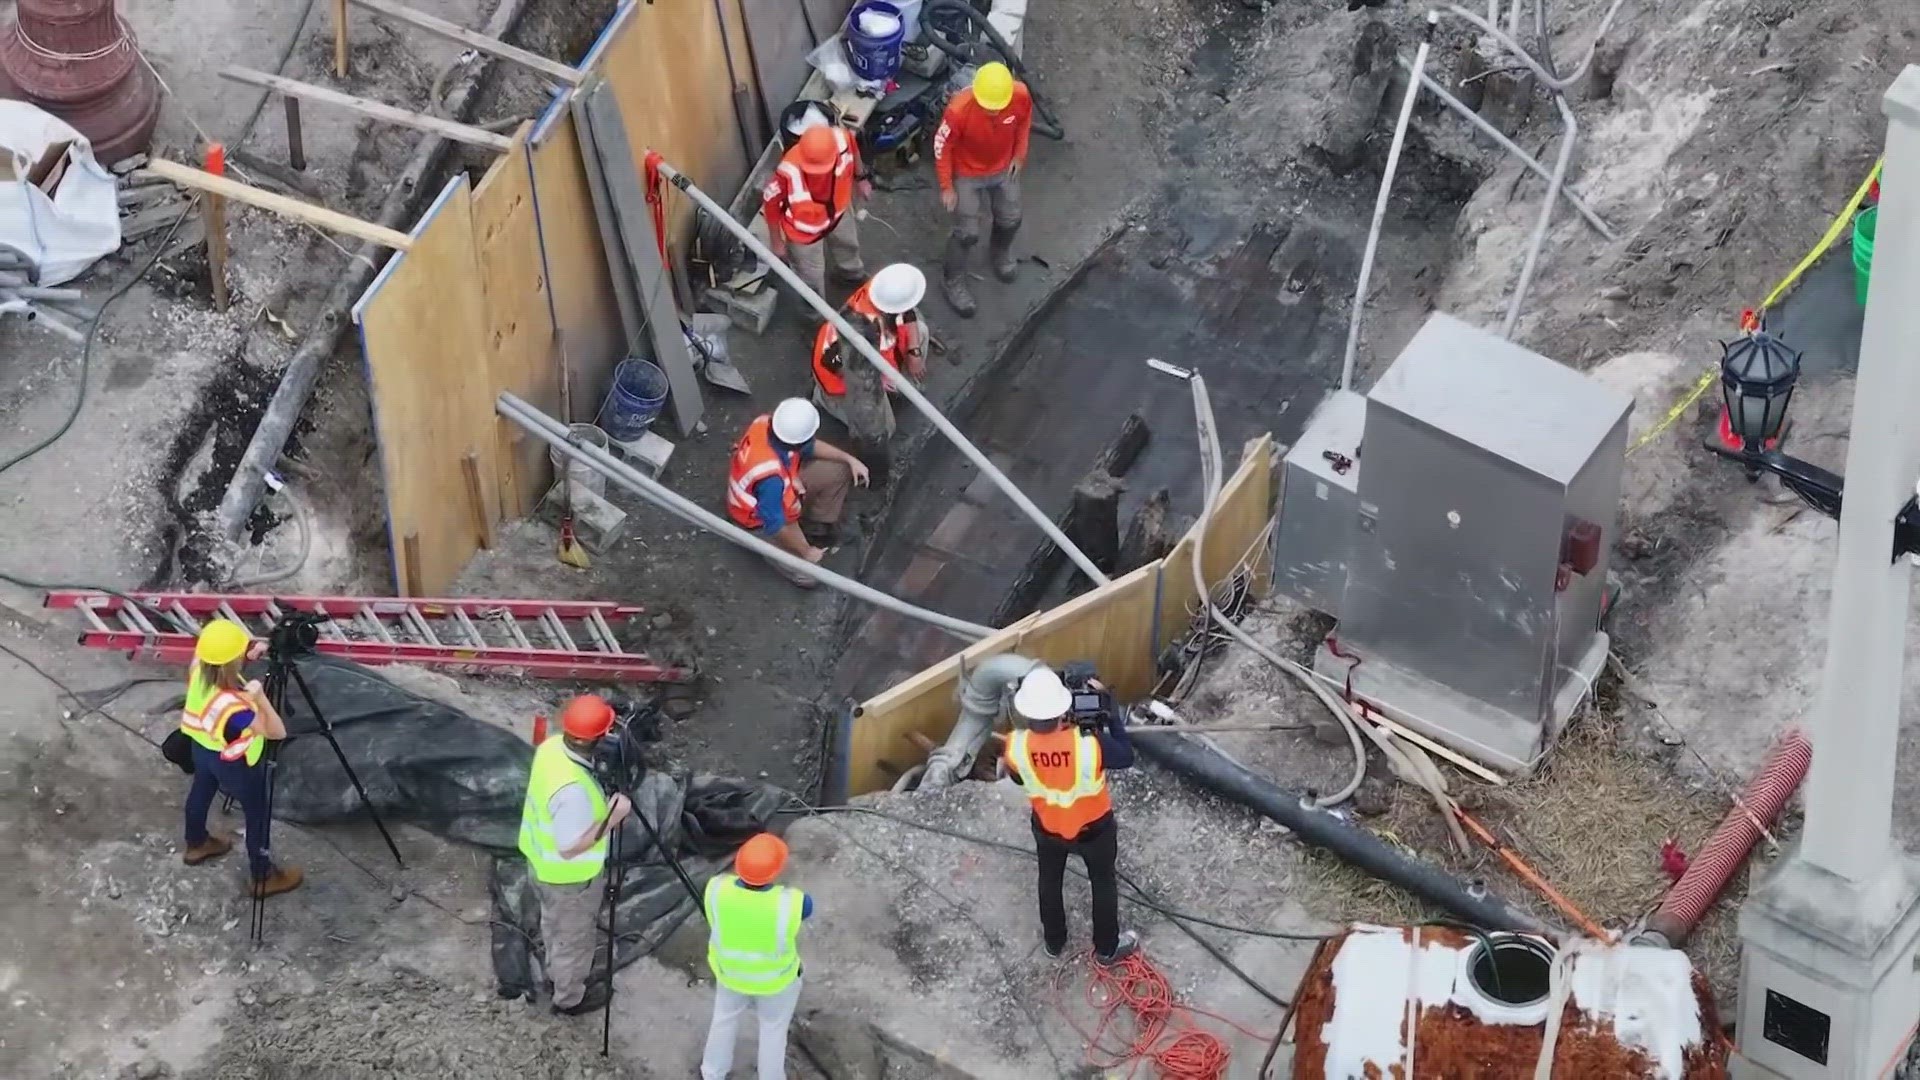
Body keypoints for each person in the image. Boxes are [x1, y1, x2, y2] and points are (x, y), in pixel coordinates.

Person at [1002, 667, 1139, 963]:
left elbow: (1019, 779)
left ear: (1025, 711)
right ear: (1062, 708)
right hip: (1095, 830)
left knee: (1049, 880)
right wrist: (1111, 712)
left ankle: (1054, 942)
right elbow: (1126, 756)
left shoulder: (1016, 746)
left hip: (1048, 828)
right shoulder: (1090, 744)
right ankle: (1106, 949)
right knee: (1103, 883)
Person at [517, 694, 633, 1016]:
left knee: (553, 923)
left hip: (539, 865)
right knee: (573, 938)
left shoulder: (551, 748)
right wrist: (611, 819)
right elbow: (569, 848)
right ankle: (568, 998)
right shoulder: (573, 793)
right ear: (598, 739)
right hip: (569, 881)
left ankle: (556, 967)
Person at [179, 619, 301, 898]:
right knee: (257, 812)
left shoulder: (198, 669)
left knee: (201, 790)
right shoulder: (236, 707)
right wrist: (259, 698)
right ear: (232, 662)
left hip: (201, 748)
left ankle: (196, 843)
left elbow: (208, 653)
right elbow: (276, 732)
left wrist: (250, 651)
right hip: (234, 763)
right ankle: (263, 875)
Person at [699, 832, 813, 1080]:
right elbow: (808, 907)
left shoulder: (716, 888)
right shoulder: (793, 902)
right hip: (776, 983)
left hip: (730, 974)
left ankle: (711, 1073)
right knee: (773, 1031)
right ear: (776, 871)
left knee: (723, 1020)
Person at [725, 398, 871, 589]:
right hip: (755, 520)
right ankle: (796, 544)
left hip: (776, 491)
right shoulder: (771, 481)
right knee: (809, 576)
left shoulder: (767, 424)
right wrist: (807, 552)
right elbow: (775, 525)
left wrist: (850, 460)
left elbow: (809, 446)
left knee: (839, 470)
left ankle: (815, 528)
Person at [933, 61, 1033, 318]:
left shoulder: (1020, 96)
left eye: (996, 108)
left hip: (1002, 169)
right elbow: (942, 147)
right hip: (968, 173)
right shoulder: (958, 110)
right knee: (966, 232)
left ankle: (999, 253)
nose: (992, 112)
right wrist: (947, 186)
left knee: (1011, 218)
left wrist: (1019, 156)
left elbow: (1023, 124)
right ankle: (953, 280)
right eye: (987, 107)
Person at [810, 262, 929, 452]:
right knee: (883, 430)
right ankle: (825, 401)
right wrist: (878, 381)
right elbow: (834, 363)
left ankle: (896, 387)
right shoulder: (857, 330)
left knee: (920, 330)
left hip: (877, 360)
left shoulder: (883, 291)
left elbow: (907, 313)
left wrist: (914, 351)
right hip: (844, 381)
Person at [763, 123, 871, 312]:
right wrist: (776, 241)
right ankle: (815, 319)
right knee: (810, 280)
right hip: (804, 234)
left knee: (848, 246)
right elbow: (770, 202)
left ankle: (850, 275)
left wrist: (861, 178)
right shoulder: (788, 170)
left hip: (839, 213)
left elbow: (853, 151)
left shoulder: (842, 139)